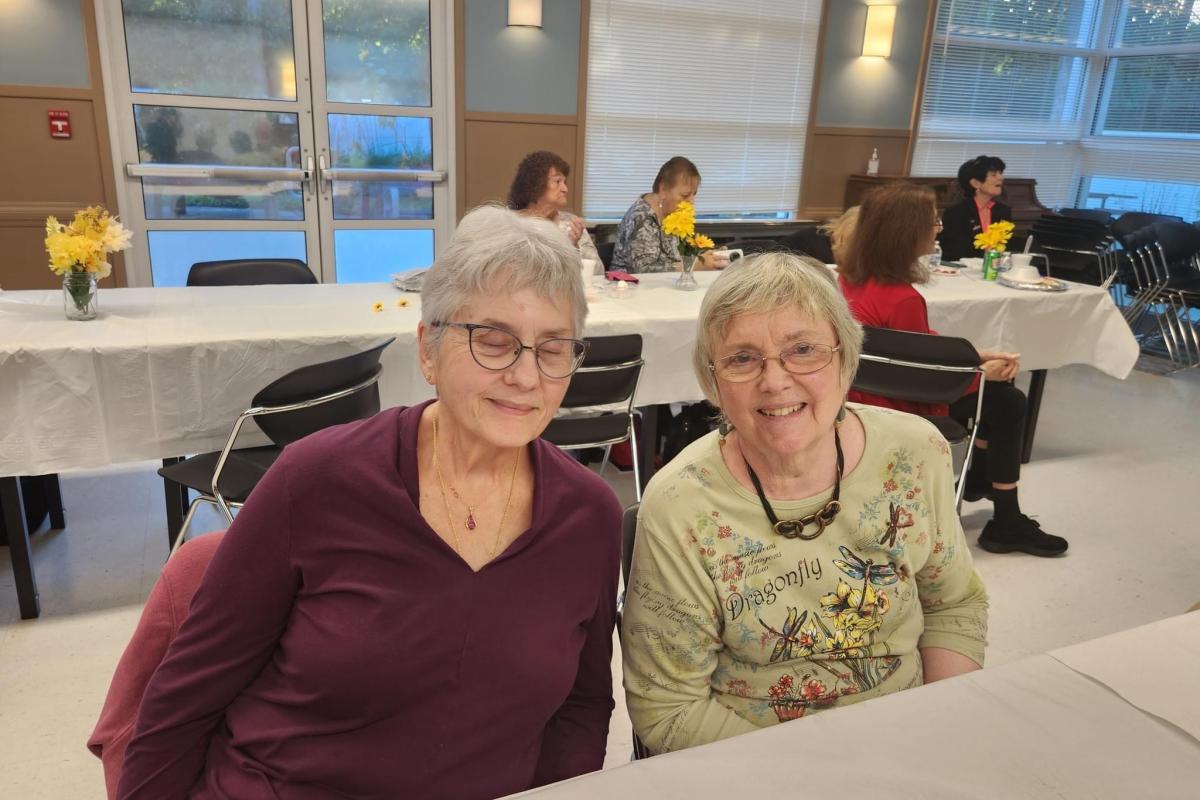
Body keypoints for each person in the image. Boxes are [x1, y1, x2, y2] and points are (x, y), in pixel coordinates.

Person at [116, 206, 622, 799]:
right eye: (493, 341)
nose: (526, 376)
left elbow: (582, 707)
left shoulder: (590, 516)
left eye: (554, 349)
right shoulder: (317, 479)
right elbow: (184, 699)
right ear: (428, 350)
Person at [622, 253, 988, 754]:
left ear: (844, 356)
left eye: (803, 349)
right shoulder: (680, 507)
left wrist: (932, 732)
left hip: (906, 734)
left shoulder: (916, 452)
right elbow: (669, 710)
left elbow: (954, 605)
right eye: (742, 358)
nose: (775, 381)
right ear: (713, 381)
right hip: (751, 764)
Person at [838, 182, 1068, 558]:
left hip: (862, 396)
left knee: (1000, 398)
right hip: (901, 407)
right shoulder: (903, 298)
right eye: (934, 222)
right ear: (907, 232)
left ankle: (980, 478)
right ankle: (1006, 519)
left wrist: (977, 355)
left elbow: (914, 348)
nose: (938, 228)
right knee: (1008, 401)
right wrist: (981, 373)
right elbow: (924, 378)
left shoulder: (851, 280)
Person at [611, 156, 720, 273]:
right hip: (628, 287)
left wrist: (709, 256)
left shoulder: (671, 213)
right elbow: (644, 269)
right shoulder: (641, 218)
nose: (691, 201)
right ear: (663, 189)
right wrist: (695, 265)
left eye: (694, 194)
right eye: (684, 195)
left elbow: (675, 257)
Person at [508, 150, 602, 272]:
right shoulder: (511, 224)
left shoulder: (572, 224)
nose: (565, 189)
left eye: (564, 182)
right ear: (535, 184)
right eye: (558, 181)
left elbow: (598, 271)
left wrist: (573, 248)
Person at [939, 154, 1013, 261]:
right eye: (993, 175)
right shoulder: (956, 212)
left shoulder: (1003, 211)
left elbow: (1006, 246)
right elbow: (953, 252)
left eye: (1000, 173)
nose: (1001, 178)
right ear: (976, 183)